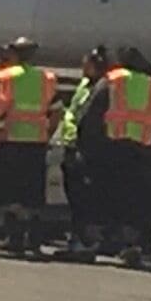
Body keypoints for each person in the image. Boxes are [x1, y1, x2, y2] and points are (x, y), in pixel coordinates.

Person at [0, 36, 58, 257]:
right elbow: (56, 111)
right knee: (33, 194)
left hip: (11, 139)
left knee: (11, 192)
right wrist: (47, 133)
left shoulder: (5, 76)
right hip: (36, 142)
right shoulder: (46, 78)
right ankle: (34, 240)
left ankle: (14, 238)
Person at [100, 48, 151, 266]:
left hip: (115, 145)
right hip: (143, 148)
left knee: (113, 195)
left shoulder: (113, 80)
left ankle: (115, 241)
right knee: (136, 199)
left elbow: (95, 110)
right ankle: (134, 243)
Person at [52, 46, 111, 260]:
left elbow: (90, 121)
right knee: (74, 196)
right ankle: (79, 240)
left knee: (83, 198)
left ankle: (85, 243)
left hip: (86, 149)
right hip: (73, 145)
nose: (82, 69)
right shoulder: (87, 85)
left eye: (86, 65)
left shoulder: (103, 88)